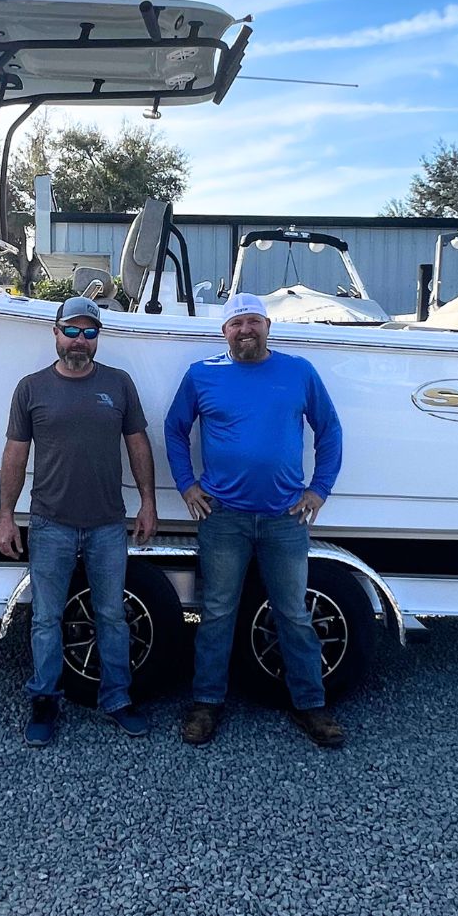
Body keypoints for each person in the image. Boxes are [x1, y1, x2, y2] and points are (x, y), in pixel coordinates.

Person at [164, 292, 345, 748]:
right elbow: (174, 428)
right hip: (223, 518)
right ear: (224, 331)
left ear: (267, 327)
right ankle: (206, 703)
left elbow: (329, 430)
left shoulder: (298, 372)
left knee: (293, 614)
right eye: (236, 323)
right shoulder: (202, 375)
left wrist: (319, 489)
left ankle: (311, 705)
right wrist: (186, 484)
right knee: (217, 613)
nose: (245, 329)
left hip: (285, 517)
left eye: (253, 321)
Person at [0, 296, 158, 747]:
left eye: (89, 333)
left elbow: (138, 444)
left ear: (97, 339)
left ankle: (117, 699)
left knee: (112, 616)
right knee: (46, 618)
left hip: (108, 524)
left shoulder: (119, 384)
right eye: (71, 330)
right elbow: (15, 455)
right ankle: (44, 700)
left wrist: (148, 501)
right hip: (51, 524)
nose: (79, 340)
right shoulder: (31, 388)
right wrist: (6, 516)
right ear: (55, 333)